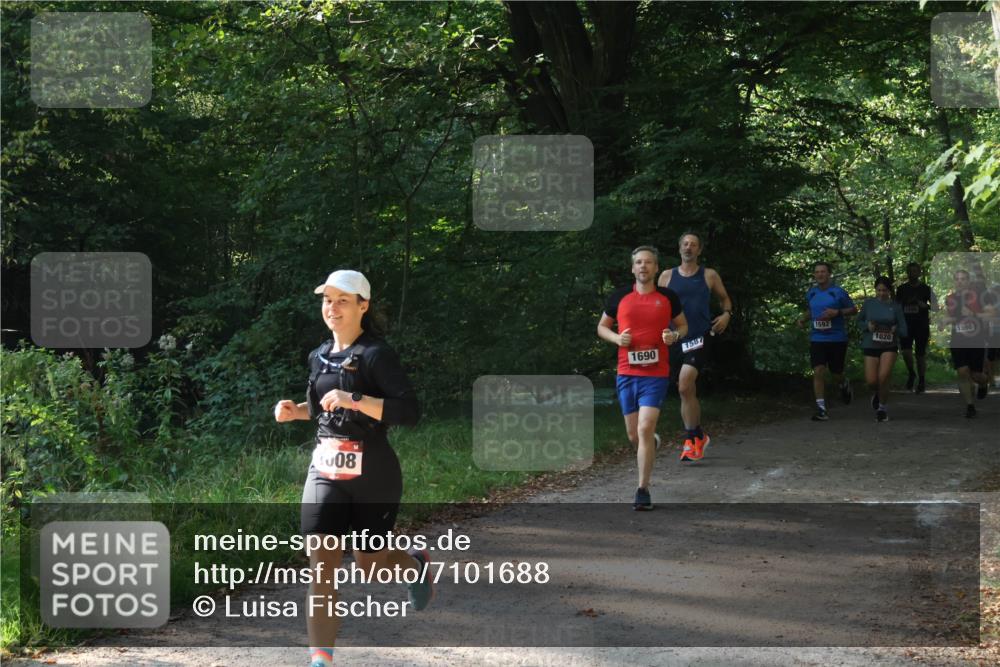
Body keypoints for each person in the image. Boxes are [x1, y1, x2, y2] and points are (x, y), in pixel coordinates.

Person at [274, 270, 427, 667]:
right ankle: (320, 660)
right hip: (325, 468)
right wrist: (295, 412)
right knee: (321, 560)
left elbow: (408, 412)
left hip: (373, 472)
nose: (333, 307)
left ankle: (414, 565)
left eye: (343, 300)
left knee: (371, 566)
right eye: (328, 299)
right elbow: (321, 406)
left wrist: (356, 398)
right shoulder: (319, 355)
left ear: (363, 305)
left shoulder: (377, 355)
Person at [598, 246, 688, 510]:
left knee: (645, 428)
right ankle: (650, 444)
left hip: (656, 373)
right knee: (633, 434)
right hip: (627, 372)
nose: (643, 267)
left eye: (648, 262)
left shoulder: (668, 297)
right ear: (632, 268)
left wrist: (674, 336)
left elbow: (682, 326)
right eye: (638, 262)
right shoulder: (619, 297)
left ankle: (642, 490)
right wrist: (616, 338)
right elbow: (602, 327)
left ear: (656, 268)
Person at [657, 232, 733, 461]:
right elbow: (658, 307)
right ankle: (698, 435)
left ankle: (691, 439)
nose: (689, 248)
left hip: (699, 336)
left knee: (684, 385)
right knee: (686, 391)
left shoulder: (708, 275)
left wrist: (727, 315)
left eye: (693, 245)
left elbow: (725, 299)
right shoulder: (667, 276)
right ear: (679, 248)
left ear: (699, 250)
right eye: (685, 244)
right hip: (674, 339)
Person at [797, 262, 857, 421]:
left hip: (837, 339)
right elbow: (811, 310)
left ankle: (844, 384)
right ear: (814, 275)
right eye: (817, 272)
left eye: (823, 271)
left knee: (836, 373)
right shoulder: (811, 293)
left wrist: (837, 312)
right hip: (817, 338)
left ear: (829, 274)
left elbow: (853, 309)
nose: (820, 275)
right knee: (818, 371)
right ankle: (821, 409)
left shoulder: (838, 293)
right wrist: (803, 319)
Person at [939, 269, 990, 418]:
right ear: (954, 282)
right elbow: (948, 317)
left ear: (968, 281)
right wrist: (943, 323)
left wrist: (973, 314)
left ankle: (983, 383)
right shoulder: (950, 299)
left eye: (963, 279)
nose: (960, 282)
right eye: (957, 279)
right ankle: (970, 406)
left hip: (976, 340)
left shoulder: (979, 297)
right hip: (958, 340)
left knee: (976, 375)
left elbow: (989, 315)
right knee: (962, 372)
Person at [857, 276, 907, 422]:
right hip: (870, 344)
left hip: (889, 345)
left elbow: (904, 329)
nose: (881, 293)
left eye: (884, 290)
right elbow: (859, 321)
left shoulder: (896, 306)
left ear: (889, 291)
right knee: (871, 381)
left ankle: (882, 409)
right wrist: (868, 326)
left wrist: (896, 329)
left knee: (883, 377)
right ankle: (877, 394)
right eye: (879, 290)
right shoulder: (869, 304)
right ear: (875, 290)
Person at [895, 261, 934, 393]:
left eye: (915, 271)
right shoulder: (901, 289)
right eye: (910, 271)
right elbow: (895, 307)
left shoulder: (926, 289)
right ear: (907, 273)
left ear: (919, 273)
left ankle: (922, 380)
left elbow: (937, 307)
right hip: (905, 325)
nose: (913, 273)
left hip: (921, 325)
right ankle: (912, 373)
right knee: (906, 351)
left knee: (920, 354)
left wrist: (926, 306)